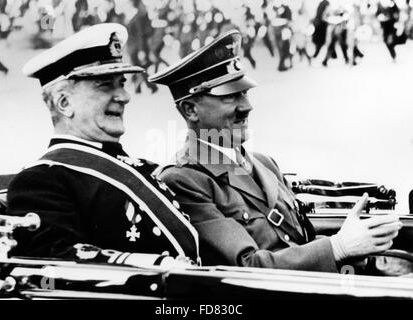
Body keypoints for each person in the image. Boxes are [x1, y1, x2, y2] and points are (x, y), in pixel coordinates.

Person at [149, 29, 402, 272]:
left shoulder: (264, 163)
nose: (246, 106)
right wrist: (338, 247)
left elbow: (299, 241)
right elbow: (246, 267)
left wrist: (355, 250)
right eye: (229, 96)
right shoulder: (183, 180)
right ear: (190, 110)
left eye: (244, 92)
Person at [6, 23, 200, 266]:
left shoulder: (141, 167)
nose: (124, 96)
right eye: (105, 84)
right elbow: (54, 266)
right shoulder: (41, 182)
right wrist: (155, 266)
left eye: (122, 83)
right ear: (64, 103)